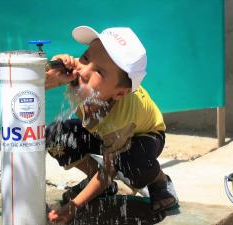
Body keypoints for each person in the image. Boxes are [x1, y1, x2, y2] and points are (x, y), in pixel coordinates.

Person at [45, 25, 178, 224]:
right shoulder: (79, 75)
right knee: (56, 136)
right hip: (102, 133)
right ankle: (94, 179)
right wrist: (51, 73)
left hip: (144, 136)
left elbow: (109, 171)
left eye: (99, 71)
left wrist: (73, 207)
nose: (84, 71)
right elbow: (36, 83)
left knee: (132, 162)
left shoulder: (122, 118)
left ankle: (160, 181)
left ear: (119, 93)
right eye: (86, 58)